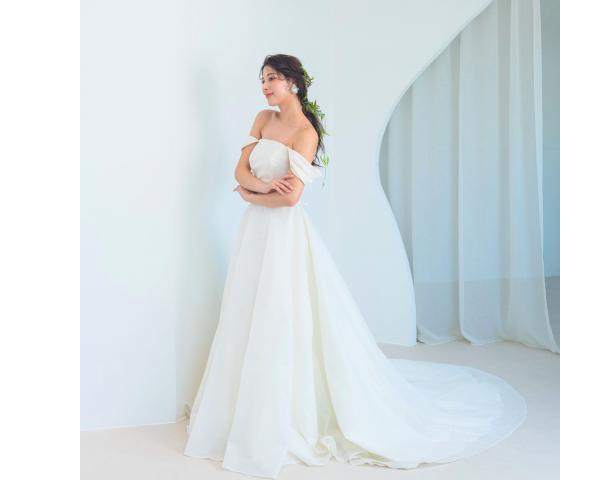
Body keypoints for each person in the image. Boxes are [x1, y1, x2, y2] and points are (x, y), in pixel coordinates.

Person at [183, 54, 527, 479]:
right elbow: (239, 170)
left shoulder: (306, 133)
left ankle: (285, 415)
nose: (265, 86)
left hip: (282, 234)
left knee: (280, 312)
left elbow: (291, 199)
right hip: (254, 232)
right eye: (263, 79)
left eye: (272, 78)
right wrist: (260, 186)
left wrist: (251, 195)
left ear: (293, 83)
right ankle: (241, 410)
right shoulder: (262, 119)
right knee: (246, 309)